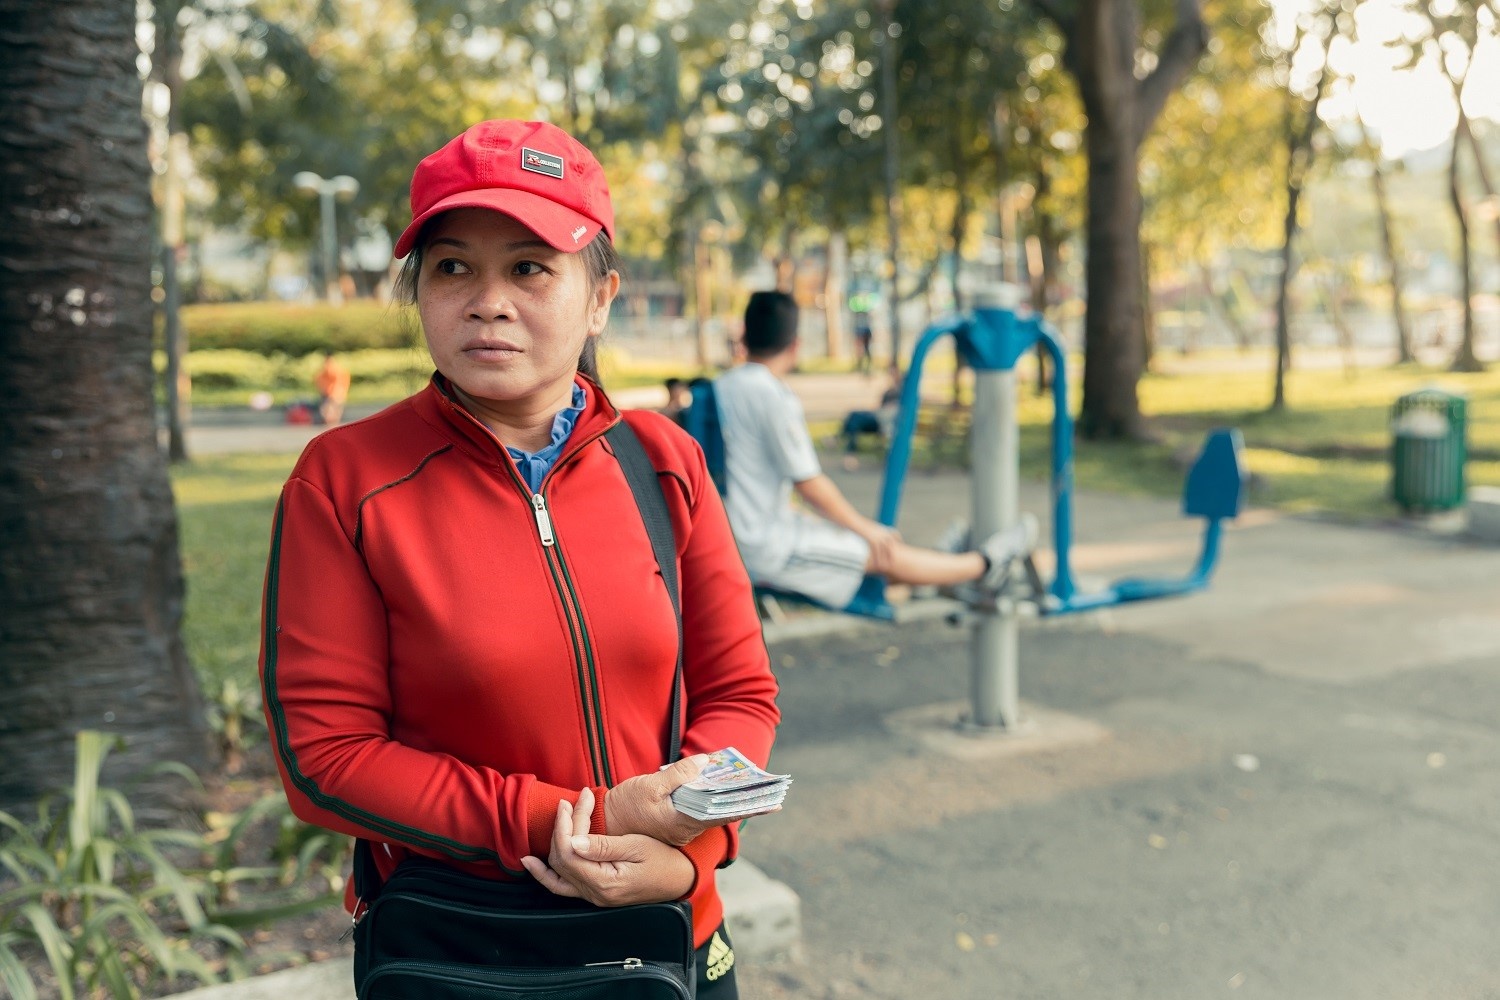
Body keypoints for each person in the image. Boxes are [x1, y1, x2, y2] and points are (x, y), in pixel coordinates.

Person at [258, 119, 780, 999]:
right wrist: (574, 822)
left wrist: (695, 853)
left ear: (600, 296)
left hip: (669, 935)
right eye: (453, 266)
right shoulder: (344, 481)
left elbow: (739, 694)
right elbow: (328, 756)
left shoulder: (664, 462)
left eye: (530, 267)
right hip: (458, 945)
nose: (487, 299)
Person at [714, 290, 1037, 611]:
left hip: (737, 533)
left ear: (745, 335)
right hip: (765, 547)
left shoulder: (723, 386)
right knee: (881, 553)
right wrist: (866, 528)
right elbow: (808, 481)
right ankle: (986, 565)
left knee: (866, 552)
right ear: (795, 344)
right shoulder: (770, 394)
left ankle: (945, 569)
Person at [313, 352, 351, 425]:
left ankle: (332, 422)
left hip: (333, 392)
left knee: (331, 408)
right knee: (331, 408)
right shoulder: (332, 368)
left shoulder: (331, 367)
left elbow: (338, 380)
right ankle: (332, 422)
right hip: (330, 392)